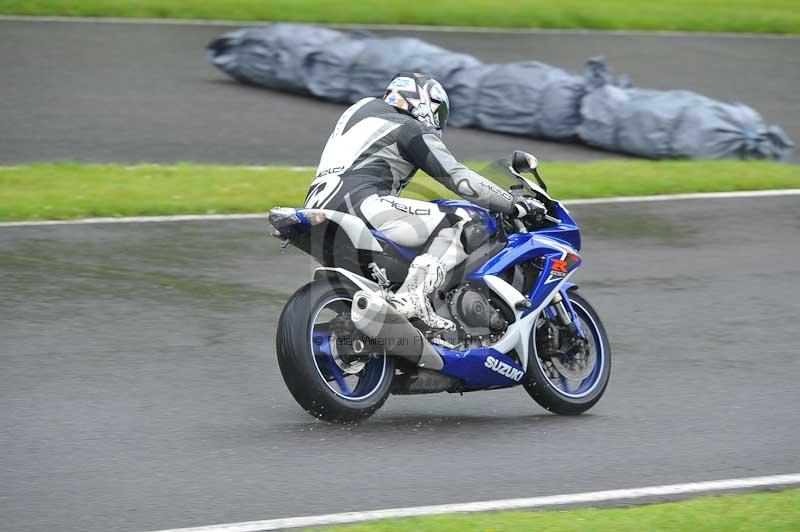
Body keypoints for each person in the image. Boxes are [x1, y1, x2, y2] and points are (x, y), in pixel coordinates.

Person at [304, 72, 545, 330]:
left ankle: (389, 314)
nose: (438, 121)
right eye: (438, 112)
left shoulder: (359, 112)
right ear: (424, 102)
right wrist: (513, 204)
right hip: (362, 206)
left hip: (316, 208)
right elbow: (459, 178)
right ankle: (413, 297)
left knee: (411, 246)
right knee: (463, 220)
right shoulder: (409, 128)